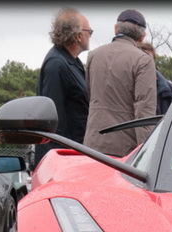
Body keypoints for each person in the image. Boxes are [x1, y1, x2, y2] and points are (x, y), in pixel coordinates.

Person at [83, 9, 156, 156]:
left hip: (92, 143)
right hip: (125, 149)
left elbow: (90, 96)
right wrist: (146, 153)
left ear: (116, 29)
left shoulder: (93, 55)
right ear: (142, 37)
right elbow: (144, 112)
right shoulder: (143, 61)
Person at [33, 8, 92, 169]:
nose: (90, 36)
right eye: (89, 32)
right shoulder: (56, 65)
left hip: (77, 154)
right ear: (79, 36)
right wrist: (66, 160)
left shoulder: (72, 62)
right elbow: (54, 121)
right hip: (63, 160)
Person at [139, 42, 172, 115]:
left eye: (148, 58)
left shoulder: (168, 90)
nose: (145, 62)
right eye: (142, 58)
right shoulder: (126, 86)